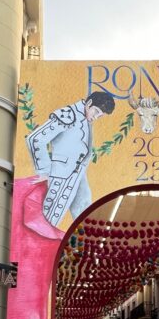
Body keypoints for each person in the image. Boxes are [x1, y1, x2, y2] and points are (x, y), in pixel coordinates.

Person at [25, 91, 116, 228]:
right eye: (96, 111)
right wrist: (44, 171)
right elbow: (35, 138)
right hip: (58, 176)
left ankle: (90, 247)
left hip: (78, 175)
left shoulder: (84, 117)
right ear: (89, 103)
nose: (96, 117)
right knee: (46, 222)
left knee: (85, 214)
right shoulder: (68, 114)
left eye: (100, 115)